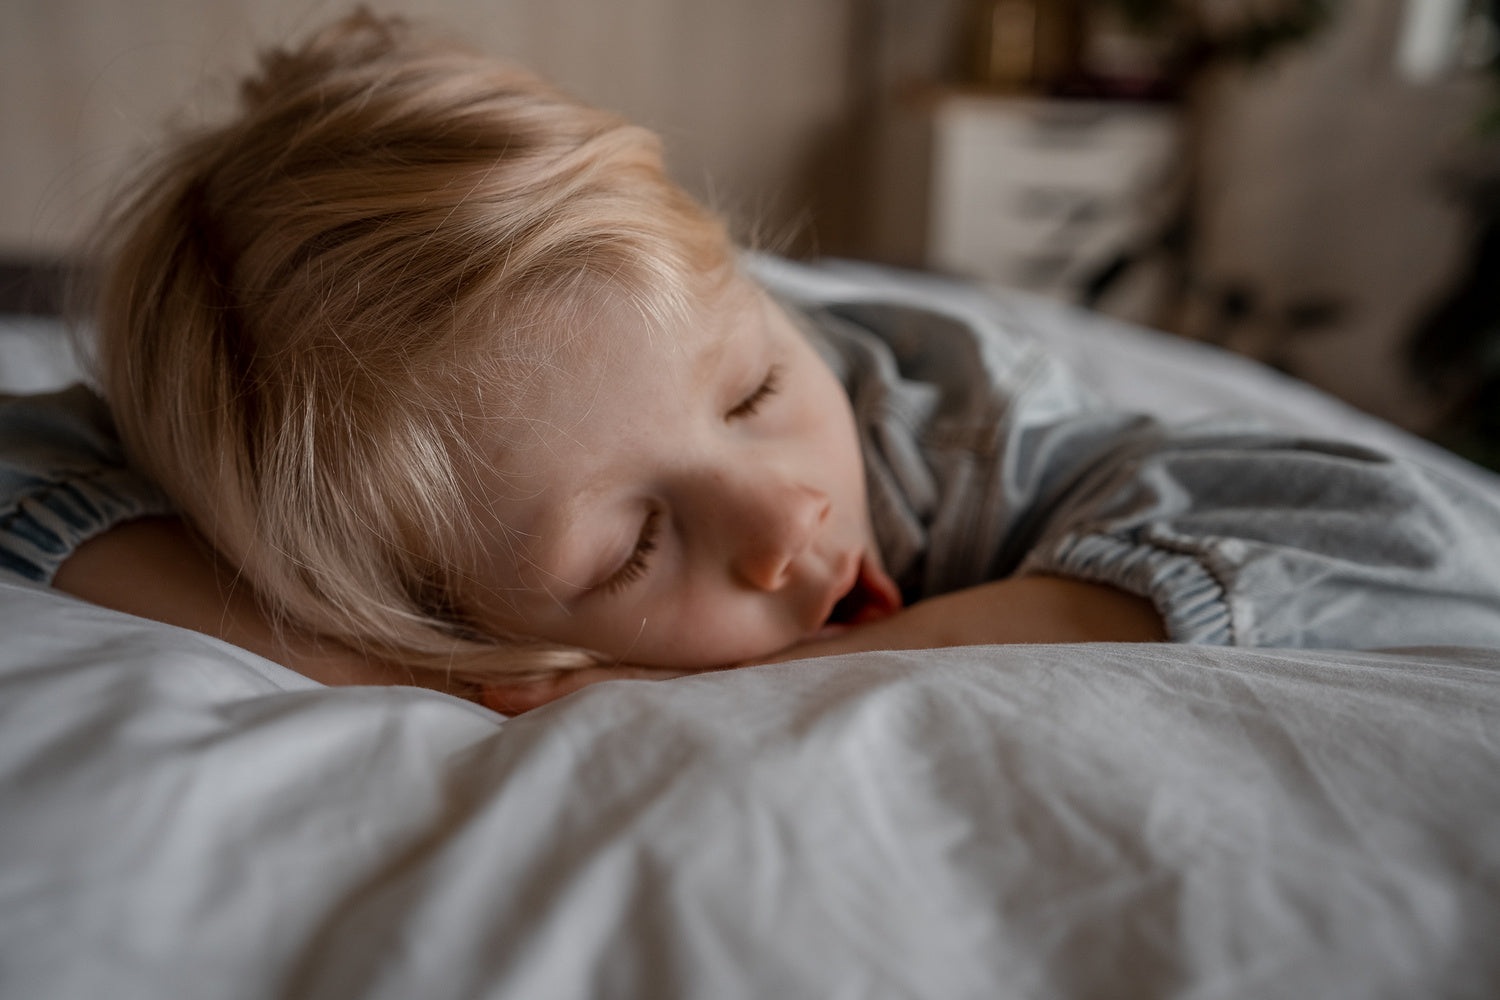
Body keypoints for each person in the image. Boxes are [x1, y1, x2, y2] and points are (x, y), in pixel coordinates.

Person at [5, 11, 1500, 714]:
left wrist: (890, 654)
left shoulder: (956, 434)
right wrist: (380, 659)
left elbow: (1388, 529)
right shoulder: (400, 553)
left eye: (751, 399)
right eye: (637, 541)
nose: (786, 515)